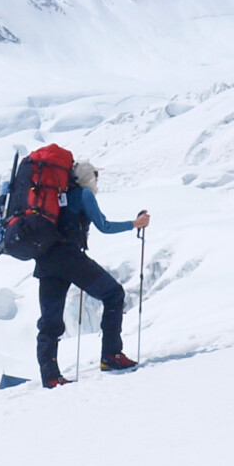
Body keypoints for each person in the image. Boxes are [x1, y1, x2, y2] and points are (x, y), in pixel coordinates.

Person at [37, 160, 149, 386]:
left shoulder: (53, 196)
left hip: (46, 261)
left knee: (49, 322)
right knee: (114, 294)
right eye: (95, 174)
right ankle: (111, 355)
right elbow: (104, 226)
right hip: (71, 259)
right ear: (88, 176)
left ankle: (50, 376)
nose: (97, 179)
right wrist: (134, 224)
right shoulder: (84, 194)